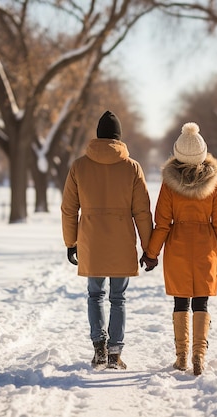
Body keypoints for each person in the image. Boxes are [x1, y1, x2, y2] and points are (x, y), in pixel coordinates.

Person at [61, 110, 154, 370]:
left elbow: (69, 208)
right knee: (118, 298)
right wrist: (149, 249)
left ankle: (99, 348)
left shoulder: (79, 166)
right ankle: (114, 353)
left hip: (91, 240)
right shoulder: (132, 167)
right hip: (121, 240)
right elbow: (142, 211)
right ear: (119, 138)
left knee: (95, 295)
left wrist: (71, 242)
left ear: (98, 136)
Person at [141, 122, 217, 376]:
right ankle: (199, 357)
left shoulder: (170, 185)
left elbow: (161, 224)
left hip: (178, 246)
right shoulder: (214, 184)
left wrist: (151, 253)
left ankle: (181, 357)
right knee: (200, 302)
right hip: (206, 247)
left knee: (181, 301)